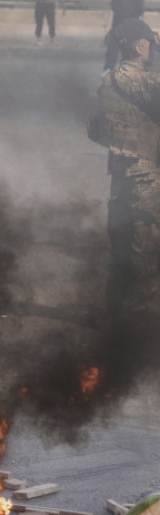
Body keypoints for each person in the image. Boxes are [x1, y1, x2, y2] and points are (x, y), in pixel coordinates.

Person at [95, 18, 160, 316]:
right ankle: (139, 320)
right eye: (149, 43)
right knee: (146, 245)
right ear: (139, 47)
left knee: (120, 245)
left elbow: (97, 128)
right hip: (146, 175)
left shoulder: (106, 79)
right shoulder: (146, 82)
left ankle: (116, 313)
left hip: (119, 172)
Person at [105, 0, 145, 71]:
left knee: (130, 50)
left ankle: (127, 70)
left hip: (131, 27)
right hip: (118, 25)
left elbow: (140, 10)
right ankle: (108, 70)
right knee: (112, 50)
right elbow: (114, 7)